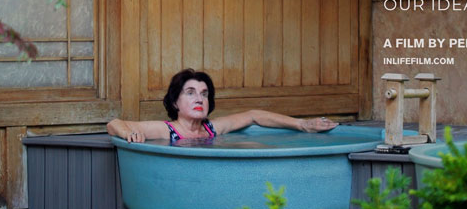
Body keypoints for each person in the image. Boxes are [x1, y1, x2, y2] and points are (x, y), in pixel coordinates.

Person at [107, 68, 338, 142]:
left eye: (204, 94)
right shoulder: (167, 131)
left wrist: (303, 125)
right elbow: (114, 123)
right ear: (175, 101)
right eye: (190, 93)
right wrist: (130, 133)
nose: (199, 98)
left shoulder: (212, 129)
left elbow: (254, 115)